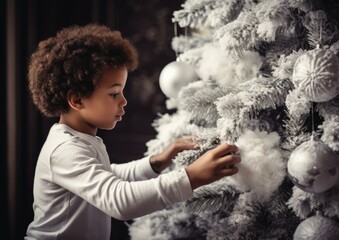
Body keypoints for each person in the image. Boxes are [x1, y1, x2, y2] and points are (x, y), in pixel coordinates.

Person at [25, 23, 240, 240]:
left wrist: (158, 160)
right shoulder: (65, 149)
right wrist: (190, 177)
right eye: (113, 94)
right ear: (77, 100)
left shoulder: (80, 140)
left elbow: (108, 175)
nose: (123, 101)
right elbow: (120, 201)